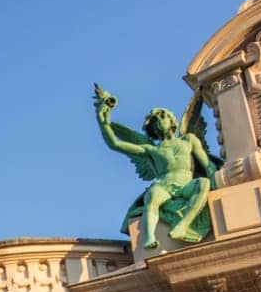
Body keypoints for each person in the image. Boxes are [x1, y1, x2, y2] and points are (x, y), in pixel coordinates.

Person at [93, 85, 218, 249]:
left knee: (203, 184)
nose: (159, 122)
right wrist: (102, 120)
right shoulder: (152, 149)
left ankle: (183, 225)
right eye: (155, 121)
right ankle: (149, 237)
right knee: (152, 196)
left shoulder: (188, 140)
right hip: (164, 186)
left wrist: (217, 183)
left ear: (172, 121)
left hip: (186, 185)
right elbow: (115, 144)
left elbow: (207, 164)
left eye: (162, 117)